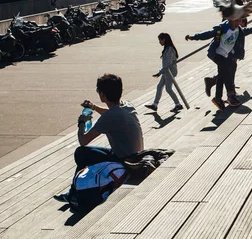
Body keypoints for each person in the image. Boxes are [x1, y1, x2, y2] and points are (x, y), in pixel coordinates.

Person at [53, 74, 143, 203]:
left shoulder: (110, 117)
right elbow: (110, 113)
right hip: (136, 155)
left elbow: (83, 140)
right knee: (91, 154)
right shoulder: (127, 105)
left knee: (82, 153)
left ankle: (74, 193)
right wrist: (94, 107)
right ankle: (74, 191)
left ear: (102, 95)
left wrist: (81, 122)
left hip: (125, 161)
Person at [186, 16, 252, 110]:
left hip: (226, 55)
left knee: (222, 75)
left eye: (239, 21)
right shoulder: (222, 28)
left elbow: (246, 31)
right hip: (216, 54)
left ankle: (217, 97)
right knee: (226, 73)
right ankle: (230, 96)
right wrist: (193, 37)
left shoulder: (239, 30)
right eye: (236, 21)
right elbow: (208, 34)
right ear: (229, 20)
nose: (238, 23)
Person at [145, 33, 183, 113]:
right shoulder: (167, 48)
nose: (159, 42)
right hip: (167, 71)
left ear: (164, 39)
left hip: (170, 72)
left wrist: (159, 73)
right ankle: (155, 105)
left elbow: (167, 64)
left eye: (160, 40)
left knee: (168, 89)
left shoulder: (169, 49)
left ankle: (178, 104)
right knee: (159, 86)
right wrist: (161, 72)